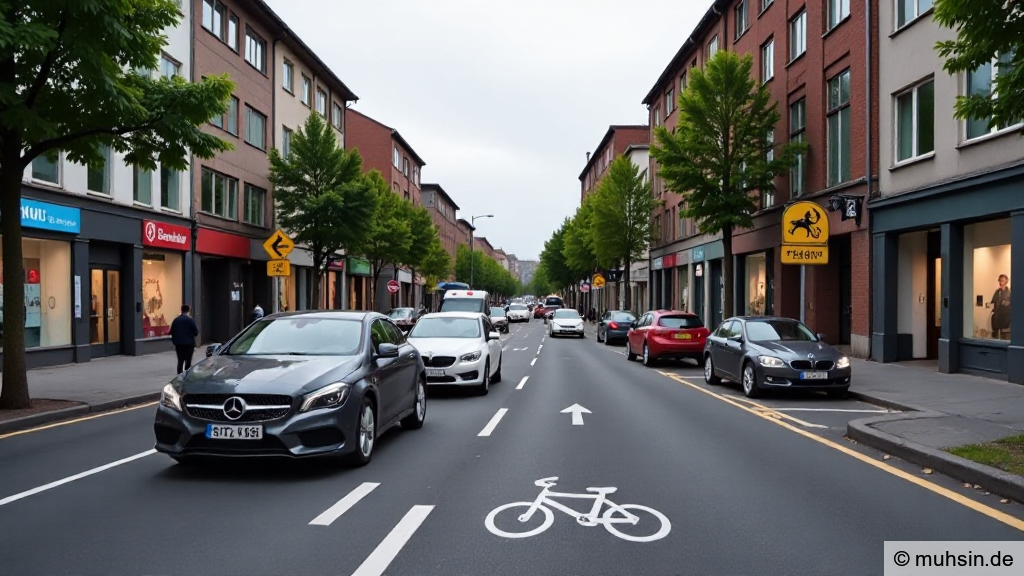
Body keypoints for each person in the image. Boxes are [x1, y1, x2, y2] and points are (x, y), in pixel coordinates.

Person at [170, 304, 199, 374]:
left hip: (179, 344)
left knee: (180, 361)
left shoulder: (176, 320)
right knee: (188, 361)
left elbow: (172, 331)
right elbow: (196, 332)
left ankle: (179, 375)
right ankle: (186, 374)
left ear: (181, 310)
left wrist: (175, 341)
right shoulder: (190, 320)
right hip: (189, 344)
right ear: (188, 310)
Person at [991, 274, 1011, 340]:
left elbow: (1012, 302)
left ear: (1006, 281)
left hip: (1005, 316)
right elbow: (993, 301)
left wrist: (1006, 303)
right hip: (997, 315)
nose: (1000, 282)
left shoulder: (1009, 292)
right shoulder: (997, 292)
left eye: (1002, 280)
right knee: (996, 334)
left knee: (1005, 336)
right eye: (999, 281)